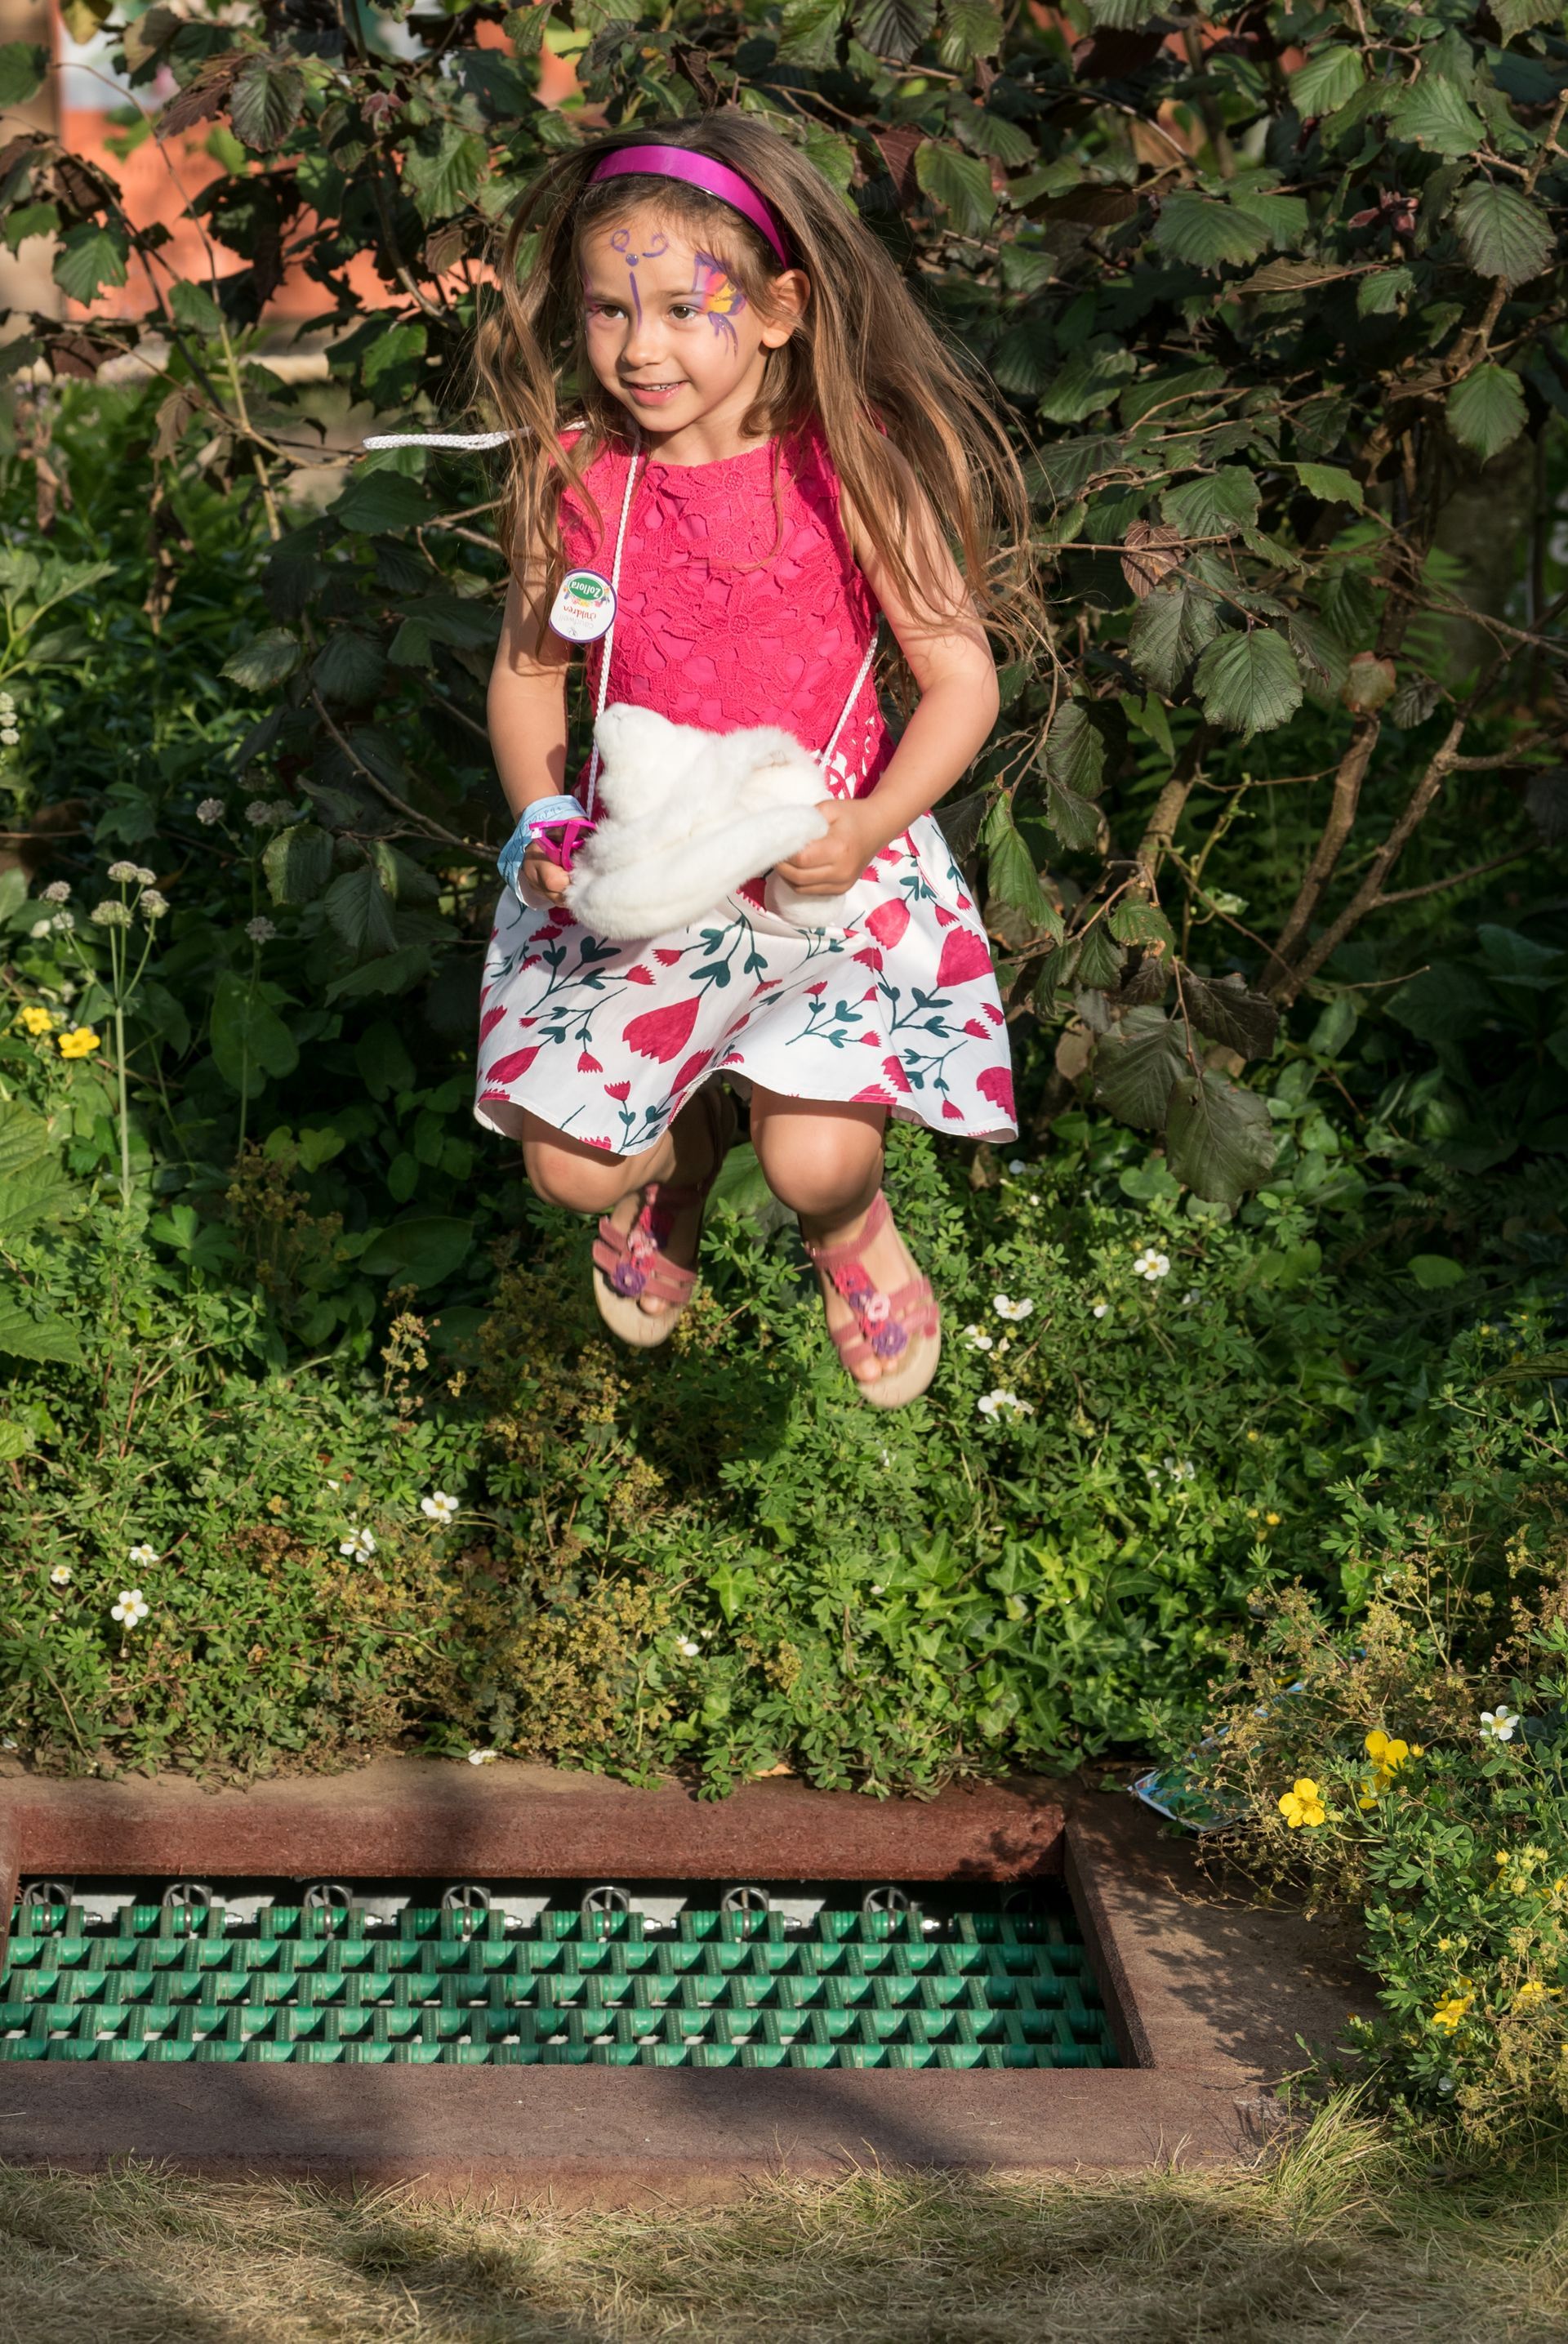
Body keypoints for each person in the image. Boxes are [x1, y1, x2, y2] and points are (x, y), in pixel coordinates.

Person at [471, 114, 1030, 1409]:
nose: (640, 347)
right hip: (640, 873)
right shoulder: (584, 482)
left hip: (821, 873)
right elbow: (526, 675)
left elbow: (961, 681)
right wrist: (544, 820)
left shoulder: (850, 469)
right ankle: (679, 1155)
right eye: (609, 311)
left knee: (820, 1161)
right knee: (571, 1169)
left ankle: (844, 1234)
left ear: (781, 310)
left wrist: (878, 818)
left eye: (681, 307)